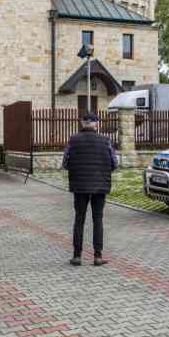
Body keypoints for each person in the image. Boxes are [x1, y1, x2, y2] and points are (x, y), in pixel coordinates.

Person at [62, 112, 118, 266]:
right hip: (100, 186)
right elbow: (114, 163)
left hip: (79, 186)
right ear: (96, 124)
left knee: (79, 220)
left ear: (82, 123)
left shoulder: (73, 140)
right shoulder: (105, 141)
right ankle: (98, 257)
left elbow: (65, 163)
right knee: (97, 220)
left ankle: (77, 256)